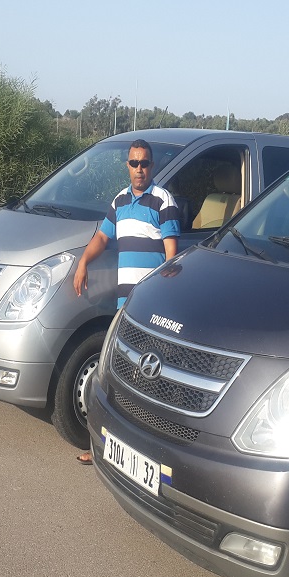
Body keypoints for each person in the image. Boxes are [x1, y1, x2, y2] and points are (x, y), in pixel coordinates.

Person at [72, 138, 180, 464]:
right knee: (115, 374)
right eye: (134, 163)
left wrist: (161, 297)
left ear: (152, 166)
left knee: (149, 382)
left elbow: (172, 258)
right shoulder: (120, 202)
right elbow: (103, 238)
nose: (139, 169)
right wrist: (83, 262)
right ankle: (102, 443)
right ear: (127, 165)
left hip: (150, 308)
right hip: (124, 307)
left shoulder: (163, 201)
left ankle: (148, 451)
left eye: (144, 163)